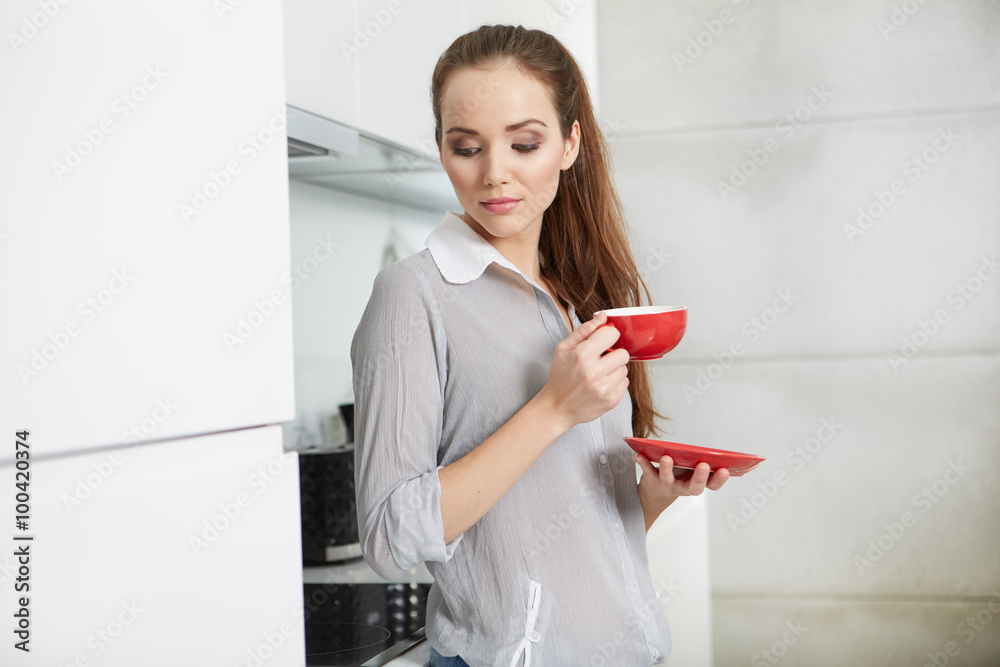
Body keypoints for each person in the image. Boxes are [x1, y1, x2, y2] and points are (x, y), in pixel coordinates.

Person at [351, 24, 754, 667]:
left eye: (525, 144)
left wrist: (647, 497)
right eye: (467, 147)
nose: (494, 174)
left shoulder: (575, 298)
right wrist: (553, 410)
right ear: (441, 149)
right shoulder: (412, 295)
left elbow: (559, 546)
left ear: (569, 144)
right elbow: (391, 539)